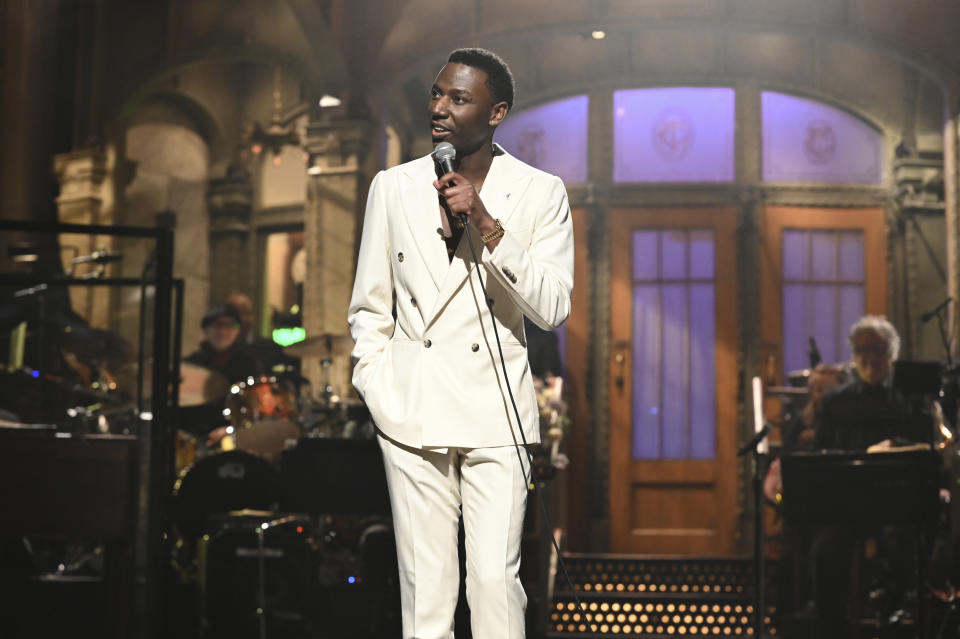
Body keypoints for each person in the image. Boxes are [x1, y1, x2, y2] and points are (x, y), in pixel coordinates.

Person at [347, 47, 574, 638]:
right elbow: (369, 306)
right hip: (411, 410)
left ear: (496, 112)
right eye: (437, 94)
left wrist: (487, 224)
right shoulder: (392, 187)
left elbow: (552, 308)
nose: (439, 109)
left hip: (496, 413)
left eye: (459, 98)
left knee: (494, 583)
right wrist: (377, 384)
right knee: (426, 586)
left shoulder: (540, 191)